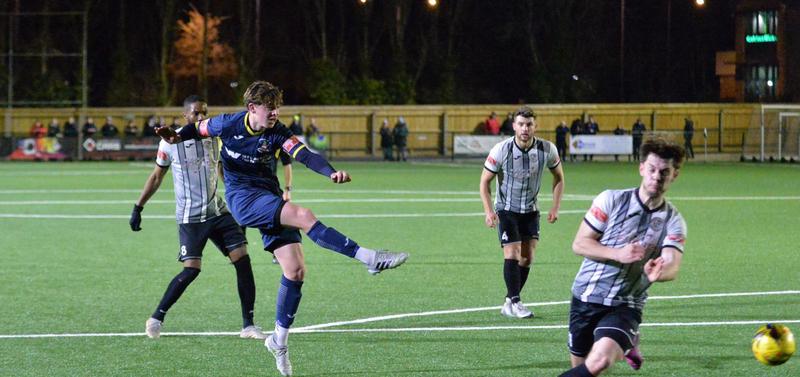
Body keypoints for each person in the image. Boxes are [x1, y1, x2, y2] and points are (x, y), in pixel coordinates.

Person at [155, 81, 408, 377]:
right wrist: (175, 136)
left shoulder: (277, 132)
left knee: (295, 270)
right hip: (243, 200)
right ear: (252, 108)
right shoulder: (228, 123)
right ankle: (369, 258)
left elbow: (305, 155)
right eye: (269, 108)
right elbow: (196, 129)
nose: (274, 113)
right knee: (303, 214)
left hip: (269, 197)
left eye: (277, 107)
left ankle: (278, 341)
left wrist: (330, 172)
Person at [130, 95, 266, 341]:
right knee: (191, 270)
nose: (201, 117)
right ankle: (157, 317)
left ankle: (248, 325)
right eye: (196, 113)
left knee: (242, 260)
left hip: (218, 211)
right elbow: (156, 177)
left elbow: (222, 170)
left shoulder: (214, 138)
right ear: (186, 116)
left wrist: (240, 199)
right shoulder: (170, 142)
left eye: (204, 112)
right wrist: (138, 207)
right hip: (190, 216)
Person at [559, 138, 687, 377]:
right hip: (586, 296)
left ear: (674, 174)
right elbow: (580, 244)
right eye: (652, 169)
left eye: (664, 172)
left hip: (626, 303)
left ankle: (625, 340)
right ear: (641, 169)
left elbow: (672, 264)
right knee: (581, 370)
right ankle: (630, 343)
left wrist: (660, 272)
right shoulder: (610, 199)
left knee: (599, 363)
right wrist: (617, 253)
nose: (657, 177)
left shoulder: (674, 221)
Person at [479, 106, 565, 319]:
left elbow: (559, 177)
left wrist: (555, 207)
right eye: (521, 124)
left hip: (530, 210)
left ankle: (509, 300)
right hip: (506, 209)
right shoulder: (501, 149)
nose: (525, 128)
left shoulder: (547, 149)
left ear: (535, 126)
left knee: (527, 258)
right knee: (513, 253)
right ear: (514, 126)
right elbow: (484, 182)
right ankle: (516, 302)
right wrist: (489, 211)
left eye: (529, 124)